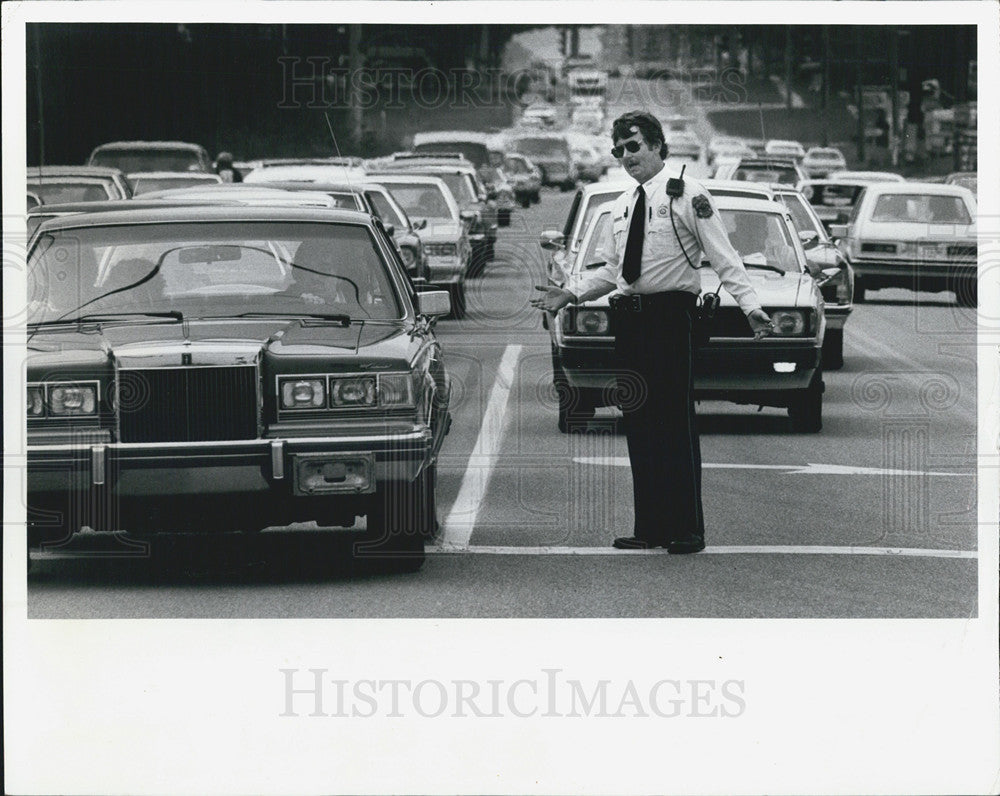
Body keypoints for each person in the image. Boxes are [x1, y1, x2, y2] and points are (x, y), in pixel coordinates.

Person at [531, 110, 773, 554]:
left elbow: (723, 256)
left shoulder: (688, 195)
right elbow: (611, 271)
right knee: (639, 423)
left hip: (670, 318)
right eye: (618, 149)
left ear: (659, 145)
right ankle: (651, 527)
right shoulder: (620, 207)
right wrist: (570, 295)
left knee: (674, 424)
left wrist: (752, 307)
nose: (626, 156)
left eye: (634, 146)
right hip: (631, 321)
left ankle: (686, 529)